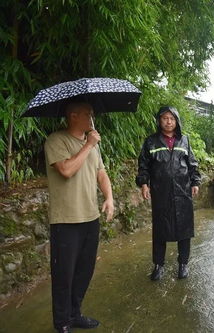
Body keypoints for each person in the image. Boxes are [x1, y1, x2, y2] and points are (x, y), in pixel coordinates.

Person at [45, 100, 114, 333]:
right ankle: (62, 323)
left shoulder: (92, 144)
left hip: (90, 217)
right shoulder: (56, 140)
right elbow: (65, 170)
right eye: (88, 114)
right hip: (66, 220)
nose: (92, 118)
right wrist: (88, 145)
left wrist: (109, 198)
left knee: (84, 271)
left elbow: (101, 173)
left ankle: (75, 314)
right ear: (74, 116)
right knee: (64, 275)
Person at [136, 106, 201, 281]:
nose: (168, 122)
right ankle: (158, 265)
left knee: (184, 228)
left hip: (182, 191)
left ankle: (183, 264)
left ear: (177, 121)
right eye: (164, 118)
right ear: (159, 121)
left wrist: (195, 182)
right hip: (160, 191)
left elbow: (192, 164)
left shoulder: (184, 140)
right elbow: (144, 166)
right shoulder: (151, 142)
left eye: (171, 118)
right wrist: (144, 184)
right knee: (160, 229)